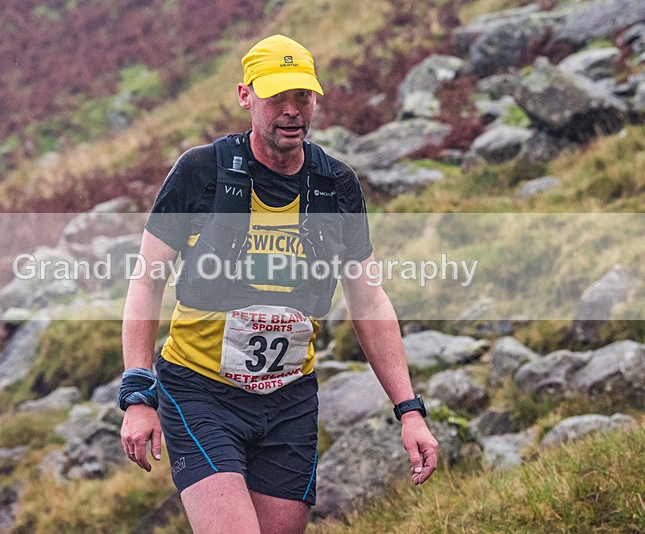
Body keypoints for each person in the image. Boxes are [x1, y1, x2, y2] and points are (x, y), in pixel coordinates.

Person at [120, 34, 438, 533]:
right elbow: (146, 282)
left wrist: (409, 411)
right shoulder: (201, 172)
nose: (291, 111)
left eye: (303, 97)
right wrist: (138, 393)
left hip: (289, 400)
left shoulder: (336, 185)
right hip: (201, 392)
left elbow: (369, 298)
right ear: (246, 96)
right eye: (276, 99)